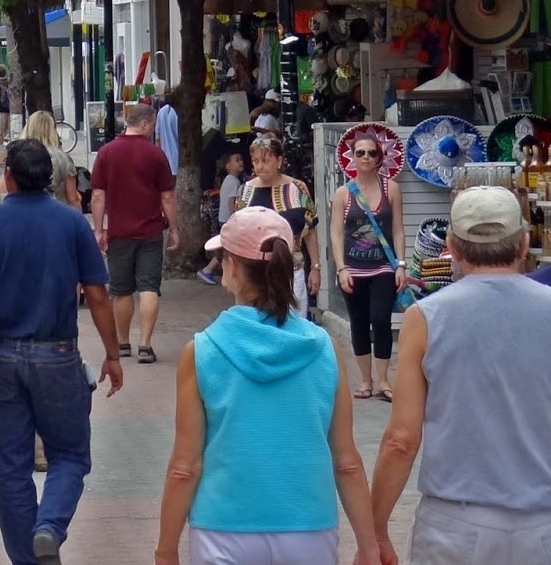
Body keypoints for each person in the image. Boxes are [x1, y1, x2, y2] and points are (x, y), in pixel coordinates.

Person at [156, 207, 380, 565]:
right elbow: (346, 461)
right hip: (309, 528)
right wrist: (369, 546)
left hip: (222, 530)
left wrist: (166, 549)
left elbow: (185, 467)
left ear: (229, 267)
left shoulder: (201, 352)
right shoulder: (325, 349)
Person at [0, 140, 123, 565]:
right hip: (58, 353)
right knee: (69, 454)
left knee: (9, 465)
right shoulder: (72, 224)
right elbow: (98, 295)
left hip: (4, 358)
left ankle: (28, 558)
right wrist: (113, 353)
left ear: (8, 175)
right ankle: (49, 526)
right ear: (49, 177)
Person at [370, 187, 551, 561]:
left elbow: (402, 439)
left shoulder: (426, 318)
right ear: (523, 243)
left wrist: (375, 528)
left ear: (451, 245)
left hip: (456, 522)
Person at [89, 103, 177, 365]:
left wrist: (98, 230)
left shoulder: (106, 153)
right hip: (150, 231)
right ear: (146, 124)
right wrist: (174, 228)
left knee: (121, 289)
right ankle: (145, 345)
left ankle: (123, 342)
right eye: (153, 125)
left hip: (119, 232)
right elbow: (168, 196)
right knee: (149, 287)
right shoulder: (156, 155)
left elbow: (97, 196)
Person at [331, 135, 405, 401]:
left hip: (384, 267)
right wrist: (341, 269)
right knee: (359, 323)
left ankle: (383, 379)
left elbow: (397, 229)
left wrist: (401, 265)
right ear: (352, 157)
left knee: (381, 319)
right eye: (360, 153)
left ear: (379, 158)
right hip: (353, 268)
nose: (365, 157)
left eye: (371, 153)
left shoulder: (392, 189)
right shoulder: (343, 194)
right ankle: (365, 380)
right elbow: (336, 234)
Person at [238, 134, 319, 321]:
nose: (260, 166)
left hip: (293, 270)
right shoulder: (245, 191)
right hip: (256, 272)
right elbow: (239, 231)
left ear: (279, 160)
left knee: (294, 325)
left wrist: (315, 268)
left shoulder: (297, 189)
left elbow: (310, 231)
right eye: (256, 161)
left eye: (265, 160)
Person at [197, 152, 246, 285]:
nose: (240, 162)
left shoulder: (229, 180)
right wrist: (234, 219)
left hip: (224, 219)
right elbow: (232, 202)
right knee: (227, 249)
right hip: (228, 220)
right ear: (228, 166)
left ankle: (209, 270)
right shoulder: (233, 181)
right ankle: (208, 270)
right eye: (236, 160)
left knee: (226, 248)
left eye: (241, 159)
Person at [22, 111, 80, 209]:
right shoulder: (63, 159)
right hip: (57, 214)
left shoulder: (20, 157)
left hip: (26, 214)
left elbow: (0, 189)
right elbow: (72, 199)